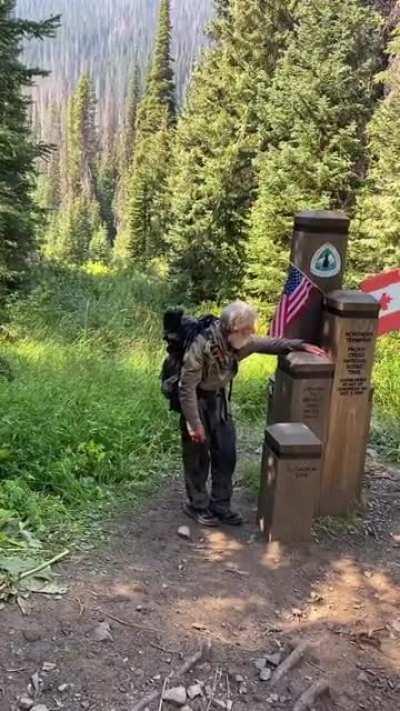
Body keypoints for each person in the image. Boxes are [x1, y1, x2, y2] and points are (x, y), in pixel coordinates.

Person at [179, 300, 324, 527]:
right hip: (196, 401)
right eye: (246, 331)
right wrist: (194, 423)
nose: (250, 335)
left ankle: (221, 505)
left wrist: (299, 345)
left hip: (218, 401)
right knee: (198, 456)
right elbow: (186, 387)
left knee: (226, 453)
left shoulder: (237, 341)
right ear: (232, 328)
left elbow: (266, 343)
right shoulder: (202, 345)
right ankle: (197, 505)